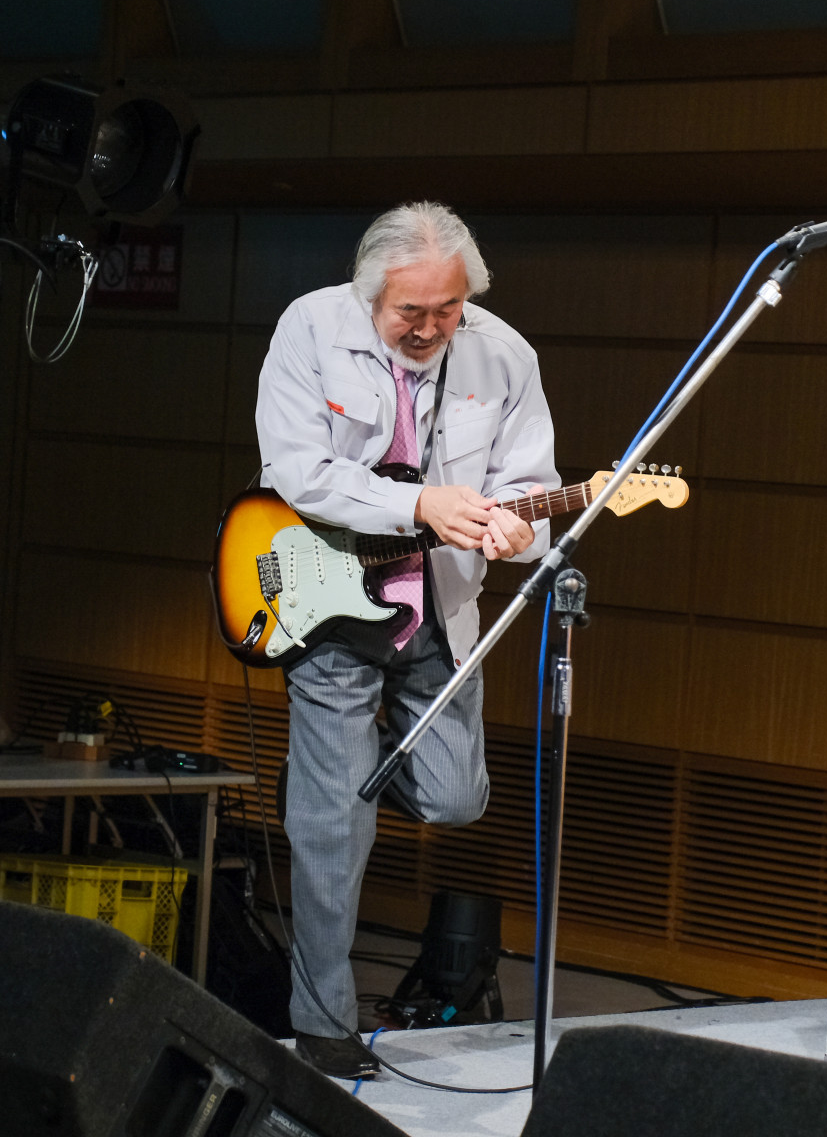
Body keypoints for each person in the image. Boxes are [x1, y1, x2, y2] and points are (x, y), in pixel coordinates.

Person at [255, 202, 559, 1078]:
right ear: (370, 295)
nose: (429, 328)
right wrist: (418, 503)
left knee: (457, 798)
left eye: (447, 310)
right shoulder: (312, 327)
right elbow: (296, 470)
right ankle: (324, 1025)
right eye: (409, 312)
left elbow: (529, 493)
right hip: (327, 602)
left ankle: (327, 791)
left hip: (438, 609)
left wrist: (516, 532)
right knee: (335, 832)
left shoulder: (506, 357)